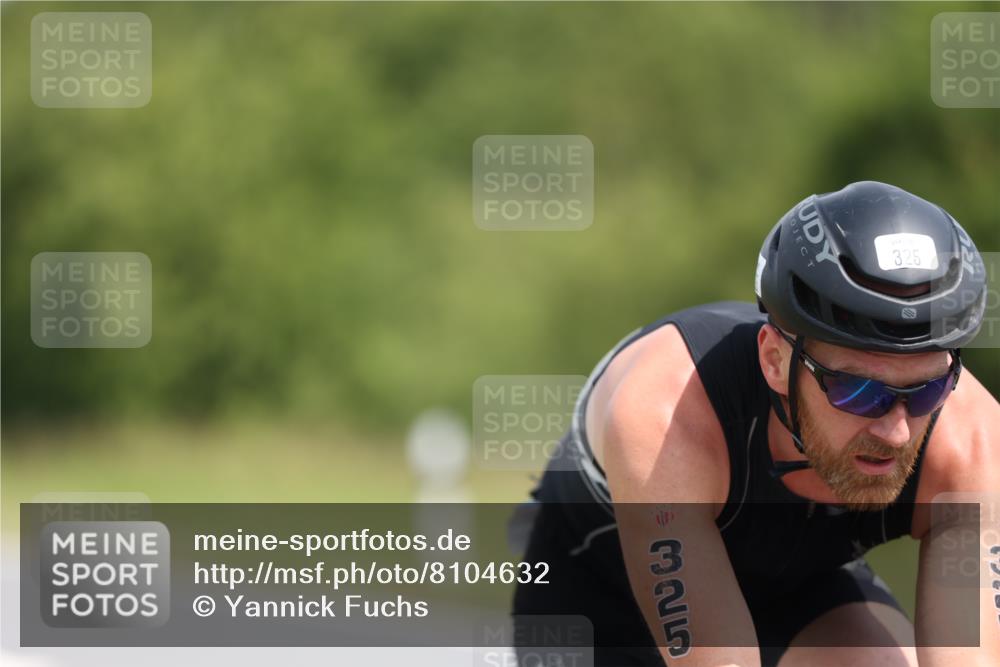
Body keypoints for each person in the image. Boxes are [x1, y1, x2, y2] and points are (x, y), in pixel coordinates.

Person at [511, 181, 999, 666]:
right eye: (859, 391)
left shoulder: (971, 442)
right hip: (600, 603)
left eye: (927, 390)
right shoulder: (669, 413)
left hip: (798, 592)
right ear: (773, 360)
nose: (896, 430)